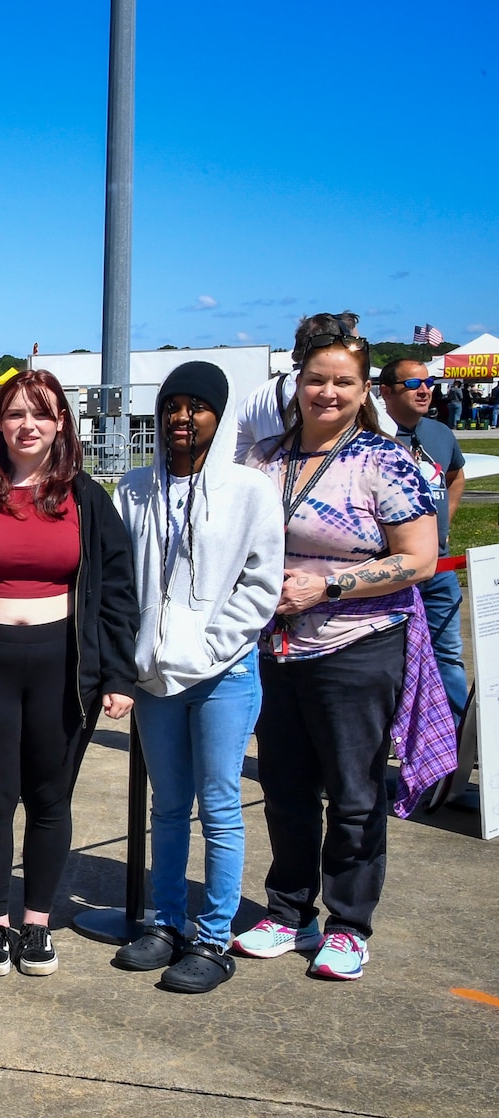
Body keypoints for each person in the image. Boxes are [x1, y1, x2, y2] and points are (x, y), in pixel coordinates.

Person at [235, 322, 452, 981]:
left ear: (365, 393)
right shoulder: (264, 458)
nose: (326, 392)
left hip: (358, 647)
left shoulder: (384, 463)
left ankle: (349, 925)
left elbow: (420, 559)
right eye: (316, 380)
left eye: (343, 382)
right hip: (274, 649)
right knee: (286, 788)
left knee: (355, 794)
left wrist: (328, 584)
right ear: (296, 384)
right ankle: (289, 911)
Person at [0, 369, 138, 977]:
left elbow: (116, 592)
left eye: (41, 413)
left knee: (49, 799)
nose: (28, 425)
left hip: (62, 667)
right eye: (15, 413)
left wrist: (117, 675)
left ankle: (36, 924)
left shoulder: (88, 499)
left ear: (61, 421)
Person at [112, 362, 283, 992]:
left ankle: (214, 939)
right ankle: (165, 921)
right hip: (156, 678)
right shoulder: (133, 488)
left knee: (219, 808)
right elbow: (121, 581)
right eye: (173, 406)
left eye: (198, 406)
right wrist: (134, 657)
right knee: (168, 805)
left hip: (224, 674)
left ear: (218, 414)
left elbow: (261, 582)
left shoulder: (249, 490)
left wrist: (211, 644)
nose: (183, 418)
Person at [377, 359, 467, 730]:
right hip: (391, 572)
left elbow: (457, 473)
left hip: (439, 571)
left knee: (447, 655)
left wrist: (444, 525)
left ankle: (460, 738)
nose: (424, 389)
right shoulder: (375, 436)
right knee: (392, 663)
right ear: (386, 392)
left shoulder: (440, 433)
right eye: (412, 382)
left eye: (428, 381)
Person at [234, 312, 359, 462]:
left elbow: (235, 453)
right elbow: (385, 434)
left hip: (273, 478)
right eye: (354, 345)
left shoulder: (258, 395)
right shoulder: (350, 391)